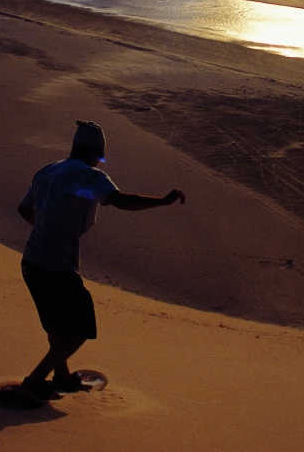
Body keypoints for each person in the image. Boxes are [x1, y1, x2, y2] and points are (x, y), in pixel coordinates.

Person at [17, 119, 185, 398]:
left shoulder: (48, 170)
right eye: (101, 157)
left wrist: (48, 227)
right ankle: (35, 380)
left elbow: (24, 210)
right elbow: (121, 200)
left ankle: (61, 377)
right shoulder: (88, 176)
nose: (100, 162)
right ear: (96, 153)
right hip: (54, 266)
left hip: (31, 261)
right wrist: (163, 201)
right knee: (80, 328)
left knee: (59, 325)